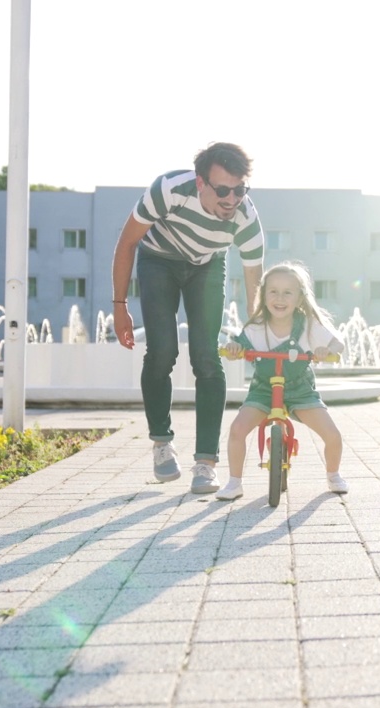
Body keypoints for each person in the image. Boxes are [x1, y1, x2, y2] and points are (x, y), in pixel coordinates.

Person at [110, 142, 265, 494]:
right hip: (158, 260)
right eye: (223, 190)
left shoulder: (246, 218)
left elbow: (256, 282)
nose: (231, 199)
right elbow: (127, 242)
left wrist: (257, 332)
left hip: (207, 266)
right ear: (200, 183)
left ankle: (206, 463)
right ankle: (162, 442)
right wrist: (120, 306)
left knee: (206, 358)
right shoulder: (168, 190)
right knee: (162, 350)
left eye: (239, 190)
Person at [216, 262, 347, 500]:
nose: (280, 298)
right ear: (263, 296)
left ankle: (333, 474)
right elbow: (238, 346)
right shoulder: (257, 327)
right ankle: (234, 482)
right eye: (273, 291)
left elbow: (338, 343)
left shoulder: (308, 325)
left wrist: (324, 350)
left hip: (300, 389)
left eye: (288, 292)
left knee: (333, 435)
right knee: (237, 430)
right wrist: (233, 348)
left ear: (299, 298)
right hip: (264, 389)